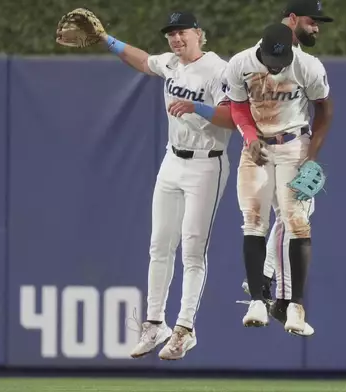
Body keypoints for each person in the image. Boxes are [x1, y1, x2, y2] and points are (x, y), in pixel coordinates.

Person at [87, 11, 236, 360]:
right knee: (159, 246)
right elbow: (142, 60)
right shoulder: (170, 63)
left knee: (192, 251)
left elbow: (231, 117)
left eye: (182, 32)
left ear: (199, 33)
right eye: (170, 34)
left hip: (207, 163)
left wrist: (197, 106)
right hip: (172, 160)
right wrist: (107, 39)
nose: (175, 39)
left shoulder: (219, 69)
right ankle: (155, 323)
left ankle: (185, 328)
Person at [225, 22, 333, 333]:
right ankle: (259, 299)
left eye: (281, 62)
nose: (276, 69)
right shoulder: (241, 63)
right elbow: (238, 105)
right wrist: (248, 136)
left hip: (293, 144)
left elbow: (324, 110)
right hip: (256, 146)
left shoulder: (307, 65)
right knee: (253, 218)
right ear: (260, 51)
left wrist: (312, 156)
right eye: (271, 63)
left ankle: (296, 306)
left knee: (296, 219)